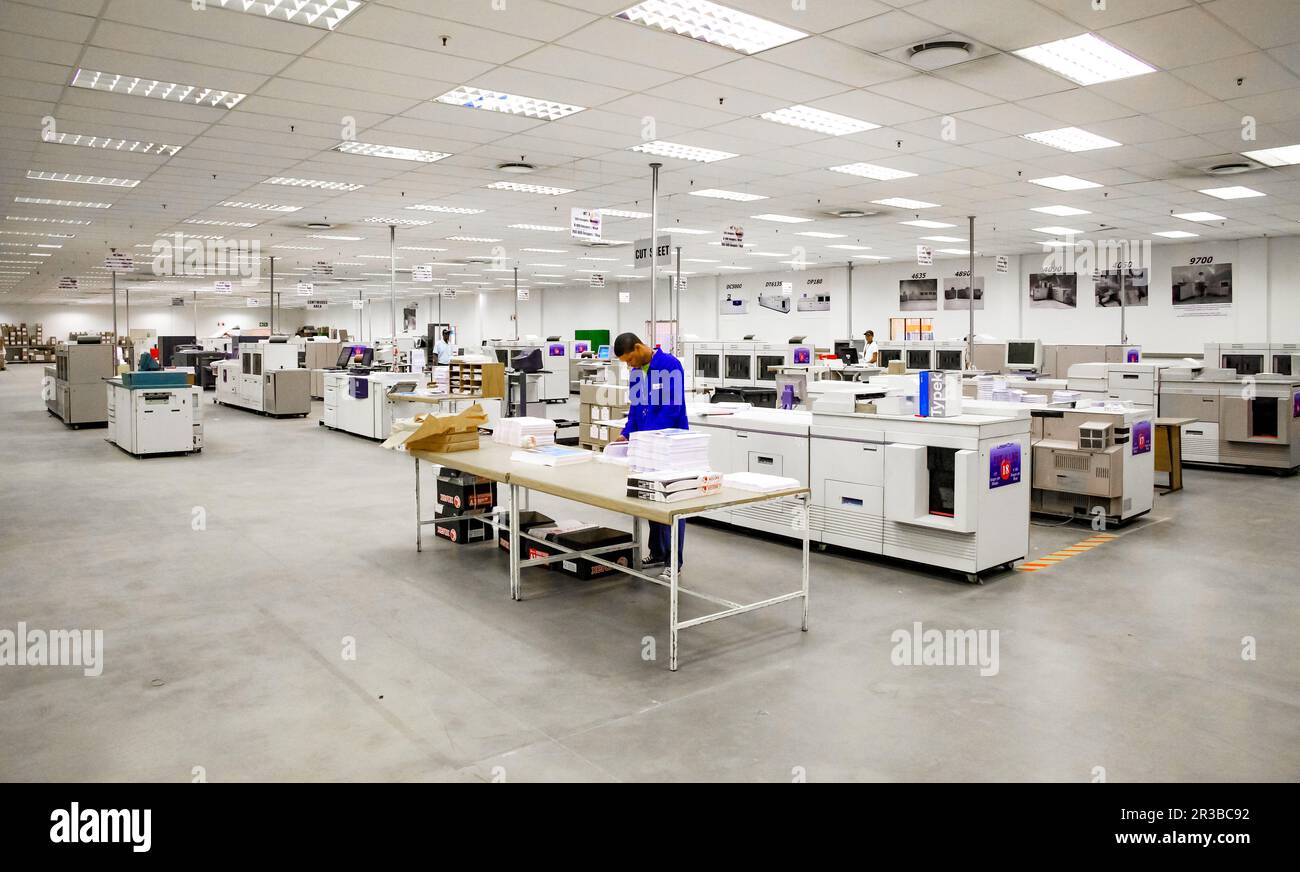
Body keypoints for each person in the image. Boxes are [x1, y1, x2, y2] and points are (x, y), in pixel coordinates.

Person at [613, 332, 689, 579]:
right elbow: (636, 409)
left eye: (629, 359)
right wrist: (627, 433)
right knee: (650, 499)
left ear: (638, 347)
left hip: (668, 445)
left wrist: (649, 437)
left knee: (670, 503)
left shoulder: (670, 365)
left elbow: (672, 409)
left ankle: (673, 562)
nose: (629, 365)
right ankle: (656, 552)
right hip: (646, 447)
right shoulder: (636, 373)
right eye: (625, 362)